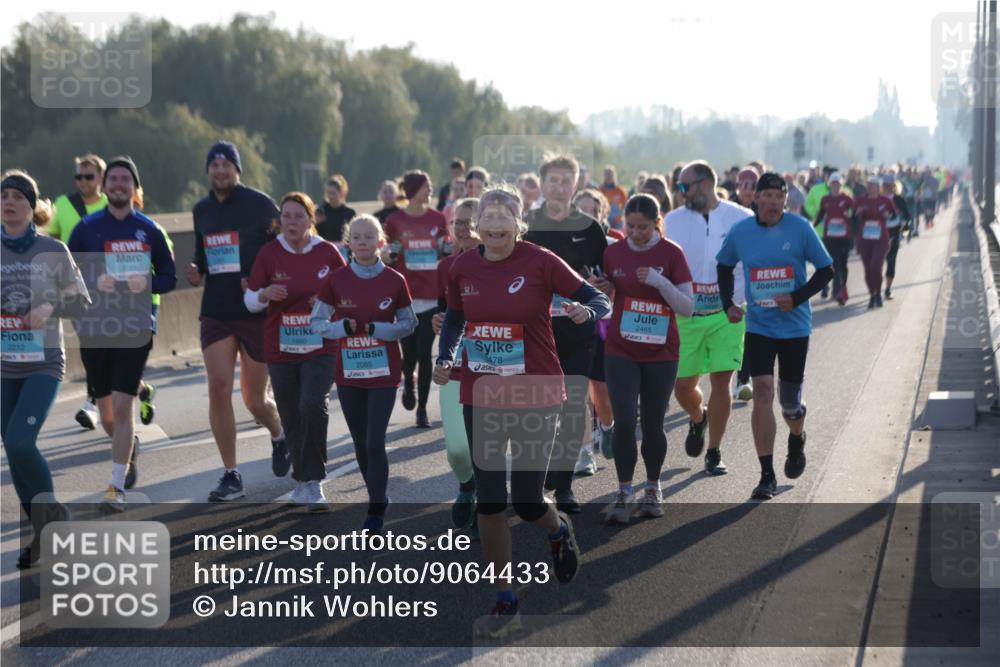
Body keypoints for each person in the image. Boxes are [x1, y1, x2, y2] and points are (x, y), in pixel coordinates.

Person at [434, 186, 609, 632]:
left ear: (518, 224)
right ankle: (504, 597)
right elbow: (455, 318)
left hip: (535, 392)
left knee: (528, 501)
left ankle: (556, 529)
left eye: (504, 214)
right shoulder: (461, 267)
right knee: (491, 503)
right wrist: (446, 354)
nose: (495, 222)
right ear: (477, 226)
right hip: (482, 392)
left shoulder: (541, 261)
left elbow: (598, 298)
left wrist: (584, 314)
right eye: (487, 215)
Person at [67, 156, 176, 510]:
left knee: (122, 407)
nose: (118, 185)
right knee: (108, 415)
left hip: (134, 327)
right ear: (104, 184)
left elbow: (169, 278)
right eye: (112, 179)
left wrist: (146, 282)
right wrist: (92, 279)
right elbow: (66, 276)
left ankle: (115, 488)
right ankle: (128, 451)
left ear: (134, 188)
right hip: (95, 328)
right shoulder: (85, 229)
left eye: (125, 180)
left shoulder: (149, 231)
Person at [716, 173, 833, 500]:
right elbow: (724, 266)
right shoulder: (741, 233)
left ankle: (796, 438)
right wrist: (728, 304)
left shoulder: (800, 229)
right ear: (755, 199)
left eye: (777, 196)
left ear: (785, 199)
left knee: (789, 403)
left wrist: (796, 297)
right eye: (765, 195)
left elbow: (827, 270)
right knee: (763, 391)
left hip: (795, 326)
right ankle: (766, 475)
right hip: (759, 326)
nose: (771, 202)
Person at [187, 140, 285, 501]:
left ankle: (279, 434)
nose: (220, 170)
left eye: (226, 163)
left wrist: (264, 281)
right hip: (216, 309)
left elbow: (282, 250)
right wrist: (196, 271)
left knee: (254, 400)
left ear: (237, 169)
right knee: (218, 387)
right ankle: (231, 473)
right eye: (213, 164)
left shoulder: (260, 204)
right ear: (208, 172)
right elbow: (201, 256)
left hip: (254, 310)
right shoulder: (201, 210)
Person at [2, 170, 91, 567]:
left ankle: (54, 515)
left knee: (21, 441)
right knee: (14, 450)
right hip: (3, 366)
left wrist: (49, 306)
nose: (9, 201)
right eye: (3, 195)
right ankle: (43, 533)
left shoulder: (53, 250)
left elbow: (81, 303)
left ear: (32, 205)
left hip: (43, 362)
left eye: (18, 195)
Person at [312, 215, 416, 531]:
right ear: (348, 242)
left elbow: (410, 323)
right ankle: (378, 496)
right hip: (349, 373)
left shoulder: (395, 280)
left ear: (380, 242)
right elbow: (316, 324)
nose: (362, 242)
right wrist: (339, 327)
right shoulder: (335, 280)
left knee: (374, 442)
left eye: (369, 236)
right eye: (356, 237)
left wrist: (381, 329)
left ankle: (374, 509)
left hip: (384, 373)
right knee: (360, 443)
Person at [244, 192, 346, 512]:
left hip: (321, 344)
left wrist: (326, 302)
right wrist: (265, 293)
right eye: (286, 216)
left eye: (298, 216)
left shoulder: (328, 252)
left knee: (312, 405)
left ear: (310, 220)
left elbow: (347, 291)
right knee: (290, 412)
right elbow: (249, 300)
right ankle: (301, 479)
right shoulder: (269, 254)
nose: (291, 222)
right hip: (281, 346)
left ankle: (314, 481)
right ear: (279, 221)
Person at [524, 155, 608, 514]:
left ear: (575, 185)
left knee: (573, 406)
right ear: (543, 185)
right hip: (535, 333)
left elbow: (607, 278)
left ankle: (563, 487)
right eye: (552, 181)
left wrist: (603, 284)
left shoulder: (589, 228)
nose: (559, 187)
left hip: (578, 330)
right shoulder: (526, 225)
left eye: (565, 181)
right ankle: (542, 474)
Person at [603, 194, 693, 523]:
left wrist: (659, 281)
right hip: (621, 348)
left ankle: (653, 488)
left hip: (660, 351)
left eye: (643, 227)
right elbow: (606, 294)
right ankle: (625, 491)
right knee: (625, 422)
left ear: (656, 223)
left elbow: (687, 306)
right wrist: (603, 287)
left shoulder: (672, 253)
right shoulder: (613, 251)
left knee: (653, 424)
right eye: (630, 227)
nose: (636, 234)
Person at [665, 161, 753, 476]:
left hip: (727, 314)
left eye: (684, 186)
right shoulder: (672, 221)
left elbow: (752, 262)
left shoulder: (742, 218)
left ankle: (714, 450)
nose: (680, 192)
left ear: (704, 184)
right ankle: (698, 418)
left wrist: (745, 301)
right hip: (686, 315)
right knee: (683, 385)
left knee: (722, 381)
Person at [47, 154, 109, 432]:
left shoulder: (113, 204)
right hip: (75, 288)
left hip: (110, 290)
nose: (83, 182)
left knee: (107, 346)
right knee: (88, 344)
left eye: (89, 176)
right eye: (79, 177)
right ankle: (92, 402)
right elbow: (51, 236)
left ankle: (104, 398)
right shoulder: (63, 204)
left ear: (101, 178)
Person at [385, 170, 449, 428]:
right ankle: (407, 384)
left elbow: (445, 249)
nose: (430, 190)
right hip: (405, 296)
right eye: (426, 186)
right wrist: (391, 253)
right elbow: (388, 257)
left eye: (431, 185)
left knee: (425, 353)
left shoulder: (438, 217)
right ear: (413, 190)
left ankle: (421, 409)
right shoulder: (394, 220)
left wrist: (446, 250)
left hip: (432, 294)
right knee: (408, 353)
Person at [431, 199, 480, 533]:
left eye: (468, 221)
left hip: (493, 365)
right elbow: (446, 315)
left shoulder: (501, 264)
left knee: (485, 446)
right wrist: (438, 321)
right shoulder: (445, 267)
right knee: (457, 448)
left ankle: (482, 508)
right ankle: (467, 485)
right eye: (456, 222)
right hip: (455, 366)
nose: (461, 228)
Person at [571, 189, 618, 474]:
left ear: (603, 215)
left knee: (600, 392)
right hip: (572, 324)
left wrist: (611, 285)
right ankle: (584, 451)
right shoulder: (563, 245)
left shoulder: (613, 246)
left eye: (593, 211)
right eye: (581, 211)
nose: (586, 216)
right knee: (577, 390)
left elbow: (624, 281)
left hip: (605, 325)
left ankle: (607, 425)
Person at [854, 174, 897, 309]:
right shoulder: (860, 200)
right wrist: (857, 213)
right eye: (868, 185)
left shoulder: (885, 201)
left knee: (875, 266)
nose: (870, 187)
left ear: (878, 187)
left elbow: (894, 215)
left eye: (872, 185)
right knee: (867, 270)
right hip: (865, 240)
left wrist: (887, 215)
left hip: (881, 240)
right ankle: (872, 294)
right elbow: (851, 216)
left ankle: (878, 293)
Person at [814, 172, 855, 306]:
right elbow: (821, 214)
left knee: (843, 264)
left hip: (844, 237)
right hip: (830, 236)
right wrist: (812, 226)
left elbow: (854, 216)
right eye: (833, 184)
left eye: (837, 184)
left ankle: (842, 287)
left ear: (841, 185)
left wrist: (854, 230)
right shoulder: (825, 199)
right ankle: (838, 291)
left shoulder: (847, 199)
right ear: (829, 185)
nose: (835, 187)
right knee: (833, 263)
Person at [882, 173, 911, 300]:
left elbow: (907, 217)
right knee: (876, 263)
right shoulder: (878, 199)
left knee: (891, 261)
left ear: (894, 186)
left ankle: (888, 289)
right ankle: (876, 289)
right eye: (885, 185)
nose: (887, 187)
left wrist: (905, 230)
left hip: (894, 235)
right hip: (879, 236)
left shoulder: (899, 200)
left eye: (889, 185)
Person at [315, 174, 356, 260]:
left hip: (343, 252)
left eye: (333, 193)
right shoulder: (321, 211)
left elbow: (353, 236)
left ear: (341, 192)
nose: (330, 196)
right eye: (328, 193)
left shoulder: (349, 213)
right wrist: (314, 222)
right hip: (324, 250)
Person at [599, 165, 629, 229]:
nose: (609, 177)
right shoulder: (600, 190)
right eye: (607, 175)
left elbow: (625, 206)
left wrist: (618, 216)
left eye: (610, 175)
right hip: (604, 219)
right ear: (604, 176)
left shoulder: (620, 191)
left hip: (617, 221)